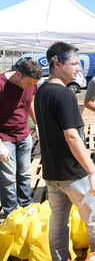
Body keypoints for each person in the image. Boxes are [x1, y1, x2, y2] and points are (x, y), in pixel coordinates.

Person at [34, 42, 95, 261]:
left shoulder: (41, 92)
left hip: (52, 174)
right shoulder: (65, 95)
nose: (79, 68)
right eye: (75, 63)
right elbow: (72, 137)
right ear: (57, 63)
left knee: (58, 223)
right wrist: (92, 172)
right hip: (74, 174)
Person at [0, 60, 42, 217]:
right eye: (28, 83)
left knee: (24, 173)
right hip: (4, 137)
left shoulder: (31, 83)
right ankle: (11, 211)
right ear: (18, 74)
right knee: (8, 177)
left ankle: (25, 203)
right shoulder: (1, 85)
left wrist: (37, 123)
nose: (30, 86)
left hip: (24, 135)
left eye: (34, 84)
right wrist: (0, 145)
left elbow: (30, 101)